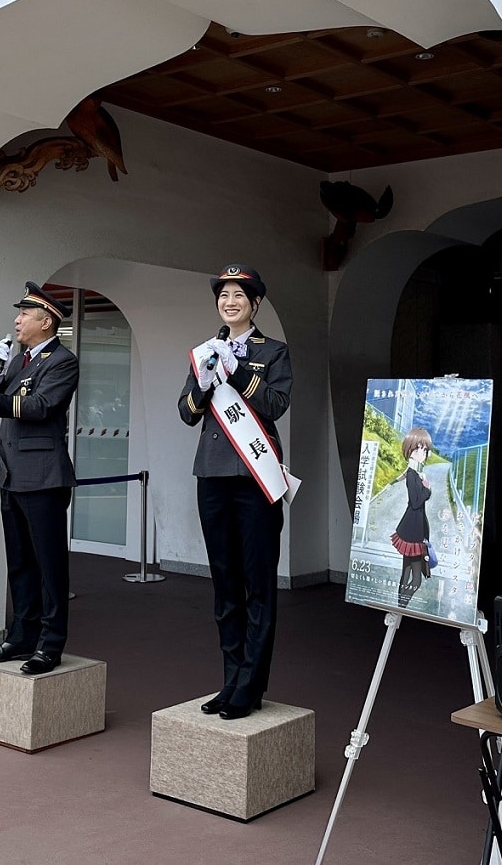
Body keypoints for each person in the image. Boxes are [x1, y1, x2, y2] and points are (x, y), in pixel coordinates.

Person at [178, 264, 292, 720]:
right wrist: (206, 382)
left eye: (239, 296)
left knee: (258, 583)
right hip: (212, 475)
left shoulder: (274, 352)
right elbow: (186, 412)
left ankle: (251, 685)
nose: (230, 302)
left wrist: (239, 371)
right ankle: (230, 681)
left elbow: (276, 405)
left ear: (255, 303)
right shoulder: (204, 351)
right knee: (224, 583)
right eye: (223, 295)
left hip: (255, 477)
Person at [0, 281, 79, 674]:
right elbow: (8, 396)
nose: (17, 320)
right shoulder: (21, 360)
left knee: (49, 564)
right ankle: (21, 635)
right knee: (20, 562)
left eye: (25, 314)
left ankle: (50, 643)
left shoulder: (62, 361)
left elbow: (41, 406)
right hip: (12, 473)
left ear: (46, 322)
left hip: (43, 475)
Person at [390, 426, 433, 609]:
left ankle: (398, 609)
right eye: (417, 449)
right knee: (416, 579)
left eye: (424, 449)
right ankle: (402, 607)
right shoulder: (412, 475)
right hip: (413, 532)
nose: (422, 453)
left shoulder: (414, 473)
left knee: (406, 572)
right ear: (409, 451)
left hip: (410, 528)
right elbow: (416, 502)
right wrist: (428, 490)